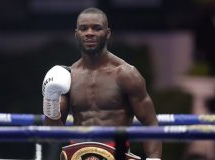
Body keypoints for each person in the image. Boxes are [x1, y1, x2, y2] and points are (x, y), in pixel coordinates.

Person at [42, 7, 162, 160]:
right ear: (76, 34)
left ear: (108, 33)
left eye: (96, 28)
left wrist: (154, 159)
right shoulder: (67, 76)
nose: (89, 33)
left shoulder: (126, 74)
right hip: (77, 155)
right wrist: (50, 102)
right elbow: (53, 138)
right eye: (83, 28)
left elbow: (150, 123)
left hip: (115, 155)